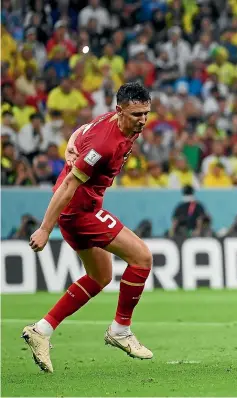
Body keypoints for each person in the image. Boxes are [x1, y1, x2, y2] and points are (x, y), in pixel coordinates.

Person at [23, 82, 154, 373]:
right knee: (142, 258)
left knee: (100, 276)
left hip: (82, 207)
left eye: (146, 113)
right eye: (136, 115)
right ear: (120, 111)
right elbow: (70, 184)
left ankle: (41, 330)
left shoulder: (113, 121)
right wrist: (46, 228)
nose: (142, 120)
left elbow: (77, 134)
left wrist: (70, 151)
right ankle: (121, 330)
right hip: (79, 211)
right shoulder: (105, 144)